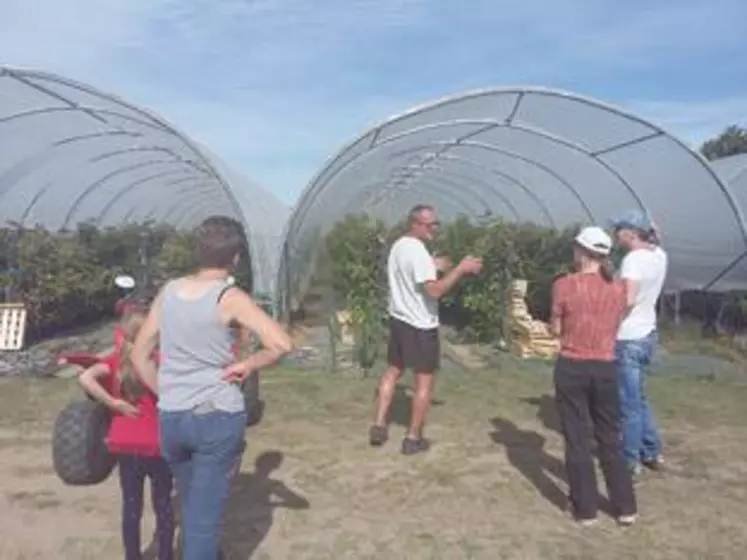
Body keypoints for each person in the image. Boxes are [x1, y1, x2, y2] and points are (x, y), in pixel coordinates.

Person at [131, 216, 293, 560]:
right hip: (216, 418)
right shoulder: (230, 297)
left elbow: (139, 354)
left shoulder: (169, 292)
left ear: (199, 252)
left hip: (172, 419)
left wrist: (166, 392)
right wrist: (247, 365)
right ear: (235, 258)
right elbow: (280, 343)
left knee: (191, 509)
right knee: (203, 525)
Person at [369, 204, 483, 455]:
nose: (435, 229)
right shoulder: (418, 252)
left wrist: (432, 264)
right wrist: (459, 270)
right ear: (416, 223)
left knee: (393, 371)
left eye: (436, 224)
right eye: (431, 224)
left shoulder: (399, 246)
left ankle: (378, 425)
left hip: (399, 320)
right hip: (421, 325)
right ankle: (413, 438)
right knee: (424, 383)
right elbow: (435, 291)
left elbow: (409, 272)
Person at [550, 226, 637, 527]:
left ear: (581, 252)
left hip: (572, 365)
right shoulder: (619, 288)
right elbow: (619, 318)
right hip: (606, 366)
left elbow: (556, 329)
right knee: (610, 437)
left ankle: (586, 508)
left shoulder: (564, 285)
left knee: (577, 437)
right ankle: (625, 506)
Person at [78, 305, 175, 560]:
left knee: (131, 507)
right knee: (164, 505)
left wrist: (112, 402)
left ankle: (132, 556)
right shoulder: (159, 361)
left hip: (125, 444)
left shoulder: (116, 361)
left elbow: (85, 378)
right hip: (157, 444)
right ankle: (165, 555)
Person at [610, 210, 668, 476]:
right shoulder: (659, 256)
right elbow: (657, 242)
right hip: (648, 335)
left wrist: (607, 321)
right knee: (639, 398)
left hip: (628, 337)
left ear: (631, 233)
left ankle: (629, 460)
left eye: (619, 229)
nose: (615, 234)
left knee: (628, 403)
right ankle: (651, 450)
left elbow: (628, 299)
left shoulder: (633, 260)